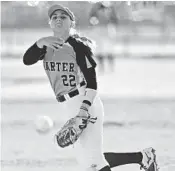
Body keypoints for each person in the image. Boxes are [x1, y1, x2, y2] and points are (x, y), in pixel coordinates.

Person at [23, 4, 159, 171]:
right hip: (68, 105)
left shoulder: (78, 46)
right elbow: (27, 60)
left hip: (85, 102)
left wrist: (83, 110)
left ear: (71, 23)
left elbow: (92, 83)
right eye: (54, 17)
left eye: (63, 17)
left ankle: (144, 157)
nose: (58, 19)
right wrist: (39, 42)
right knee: (89, 159)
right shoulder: (45, 47)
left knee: (92, 162)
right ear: (50, 23)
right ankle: (144, 157)